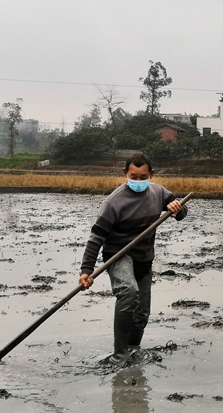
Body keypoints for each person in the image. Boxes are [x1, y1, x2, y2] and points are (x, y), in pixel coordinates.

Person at [79, 153, 188, 365]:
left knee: (142, 312)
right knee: (128, 292)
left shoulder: (159, 192)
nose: (138, 181)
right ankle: (119, 356)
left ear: (151, 174)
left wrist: (177, 208)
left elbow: (181, 211)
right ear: (125, 174)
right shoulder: (114, 202)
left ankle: (133, 349)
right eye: (133, 176)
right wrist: (86, 270)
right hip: (118, 254)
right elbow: (96, 237)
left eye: (143, 177)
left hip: (144, 257)